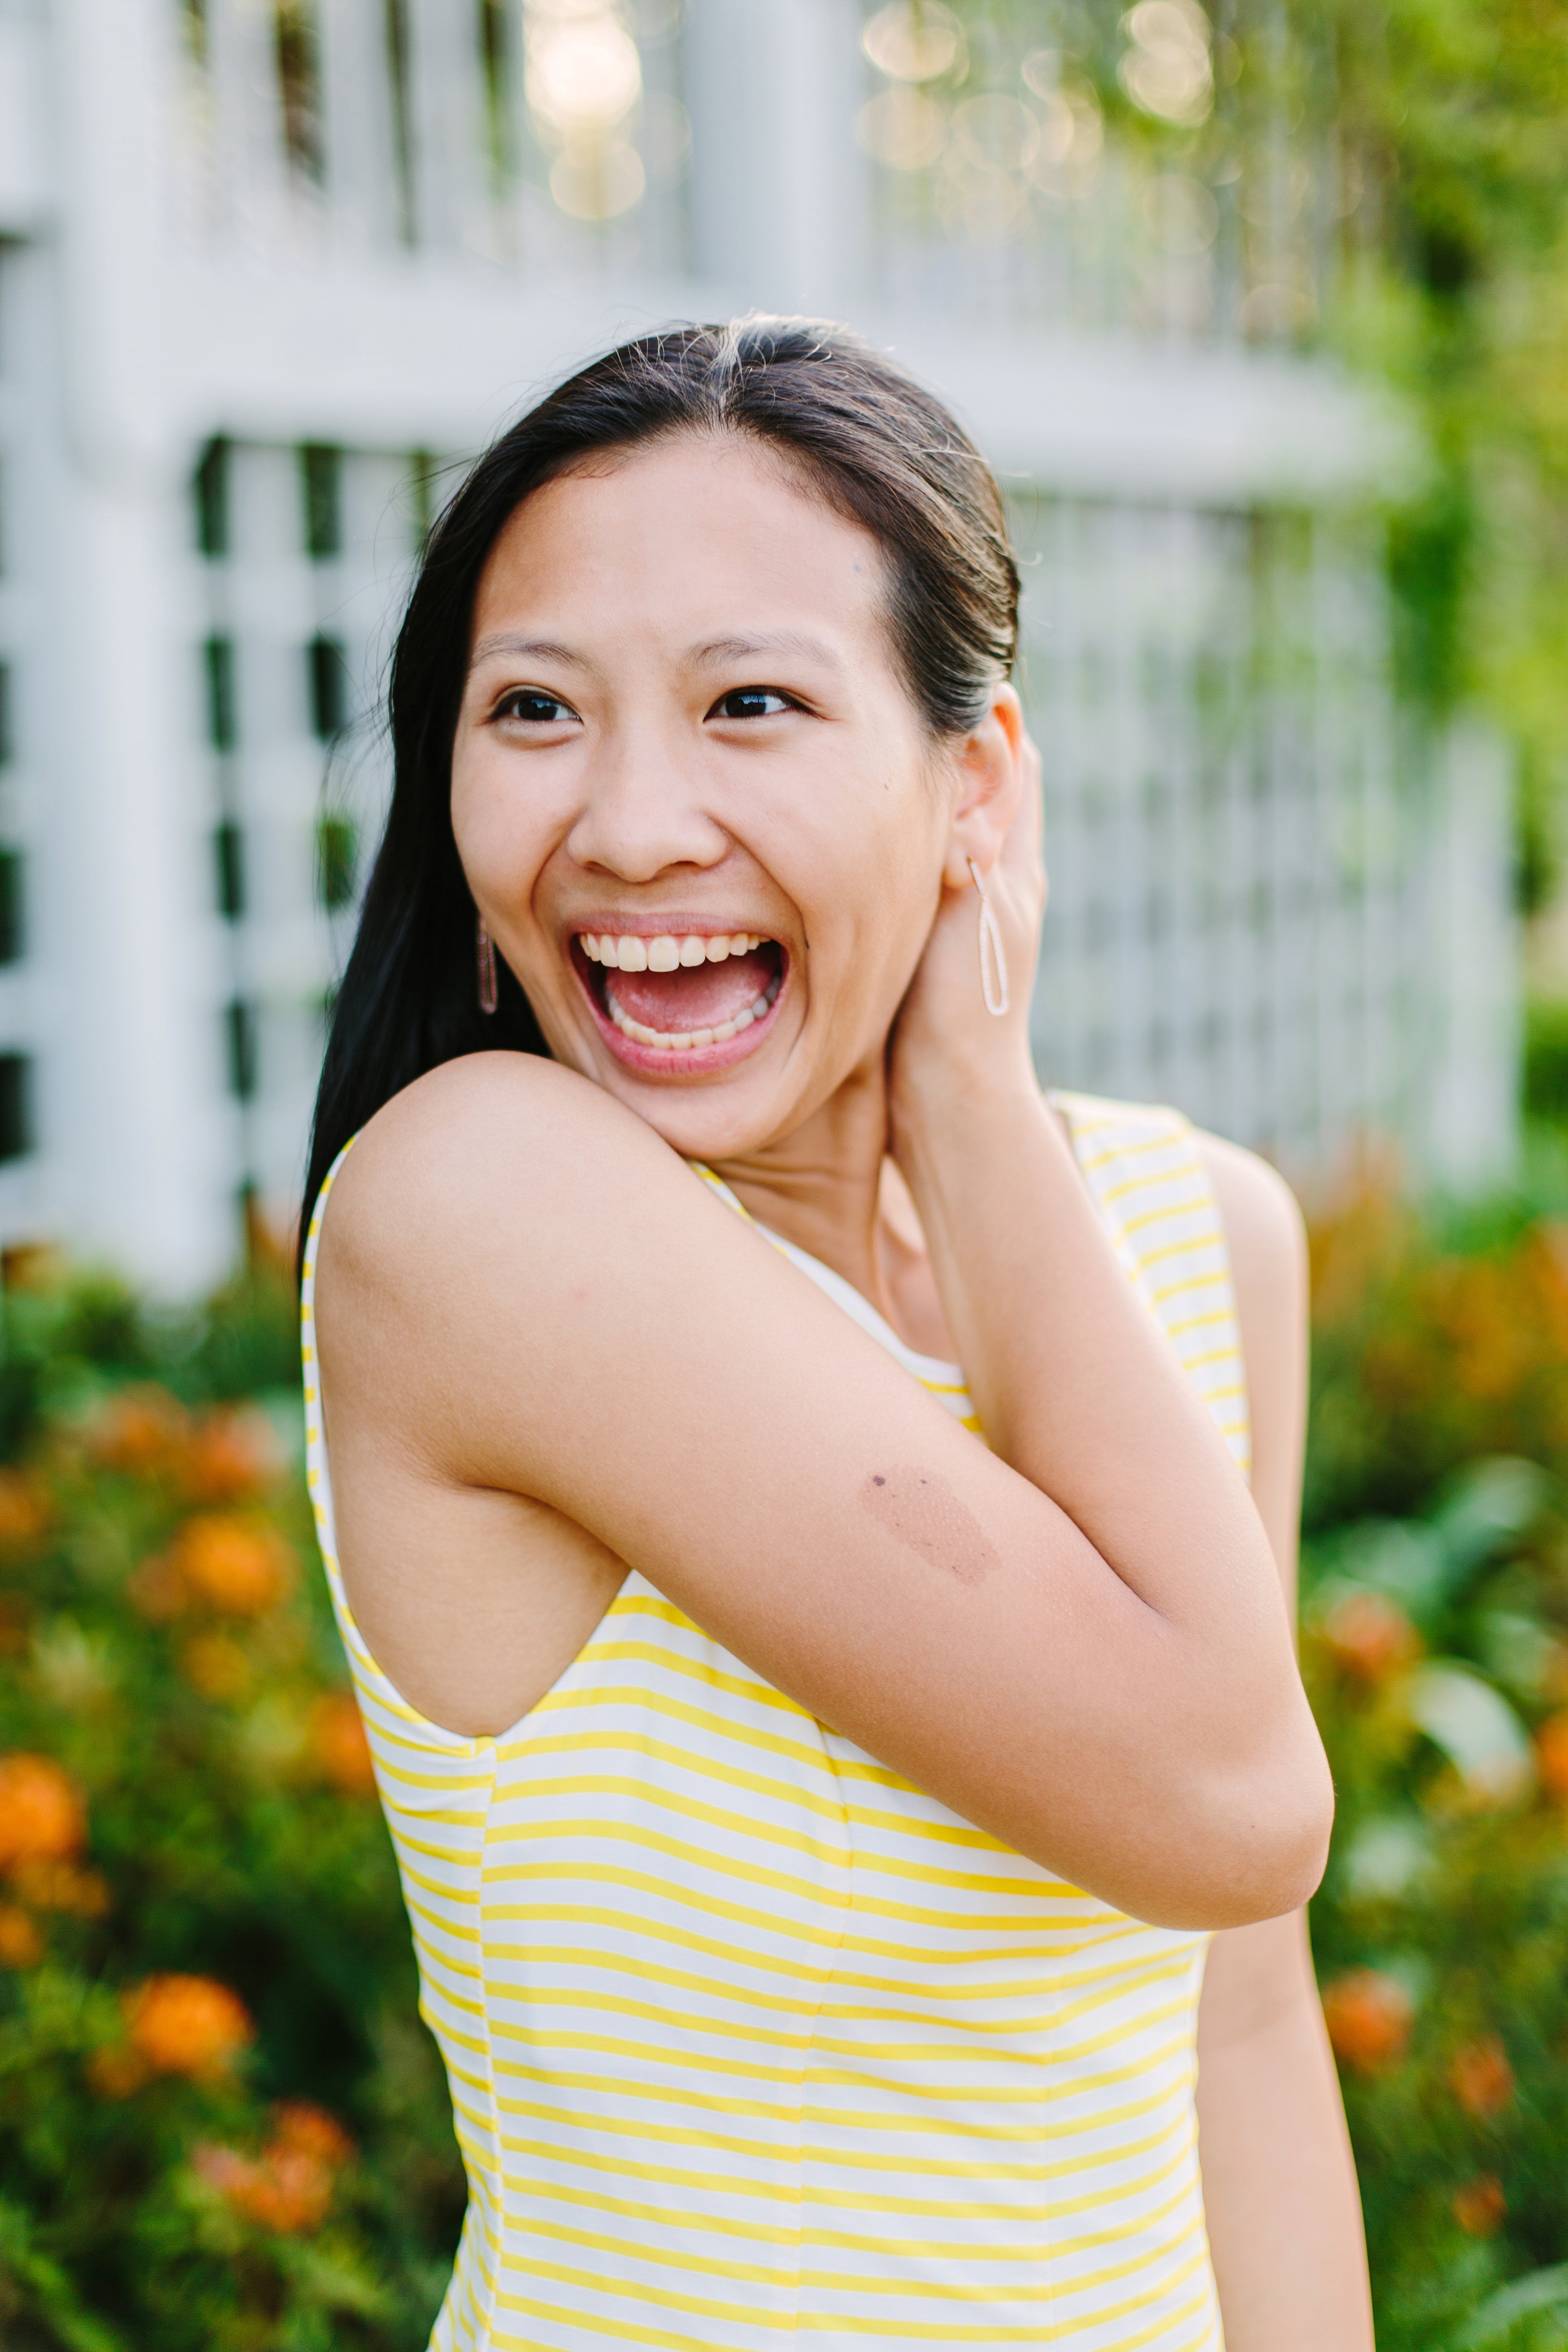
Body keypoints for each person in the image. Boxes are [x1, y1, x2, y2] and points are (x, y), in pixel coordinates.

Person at [300, 318, 1372, 2351]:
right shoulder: (482, 1208)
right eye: (532, 708)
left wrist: (973, 1120)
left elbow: (1237, 2009)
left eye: (751, 702)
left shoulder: (1199, 1236)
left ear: (972, 778)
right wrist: (963, 1085)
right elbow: (1227, 1782)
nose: (624, 826)